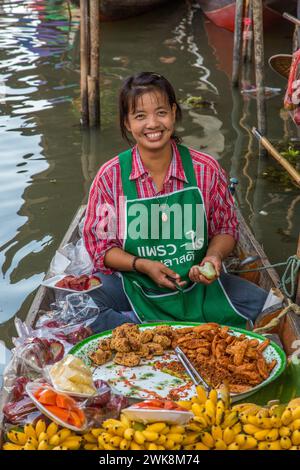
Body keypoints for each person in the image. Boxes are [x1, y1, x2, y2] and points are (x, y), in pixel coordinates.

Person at [83, 72, 268, 333]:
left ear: (173, 112)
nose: (152, 124)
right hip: (136, 284)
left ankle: (158, 331)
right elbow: (101, 250)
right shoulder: (110, 176)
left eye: (160, 112)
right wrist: (143, 265)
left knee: (266, 304)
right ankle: (148, 333)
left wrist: (213, 258)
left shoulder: (206, 169)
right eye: (139, 116)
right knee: (84, 307)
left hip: (198, 286)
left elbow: (226, 229)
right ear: (127, 123)